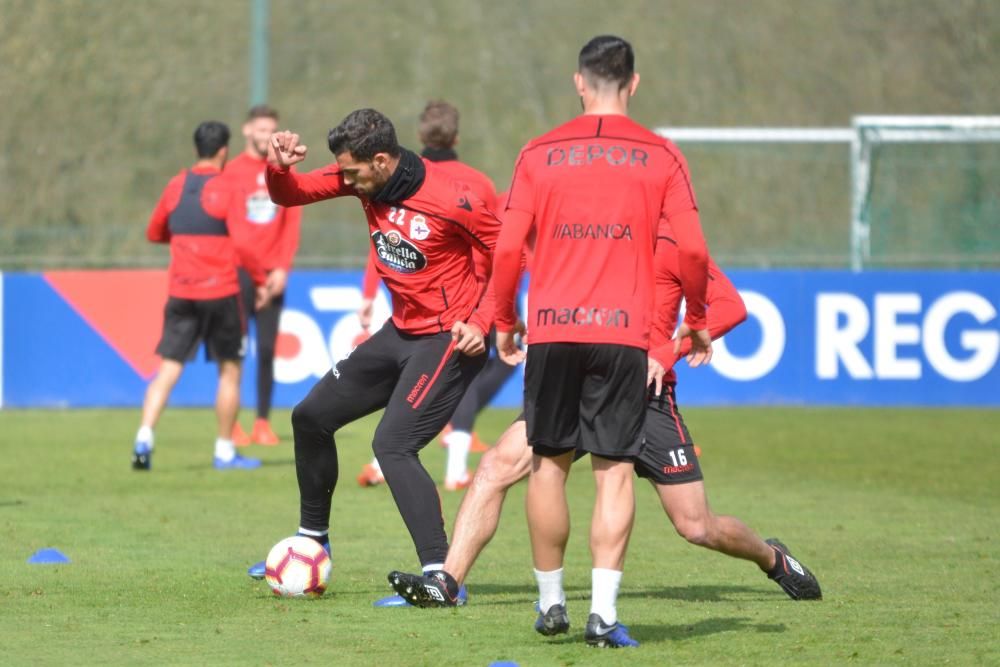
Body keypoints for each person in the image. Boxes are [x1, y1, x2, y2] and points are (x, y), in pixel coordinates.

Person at [391, 36, 713, 648]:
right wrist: (695, 316)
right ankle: (605, 614)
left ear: (579, 83)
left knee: (546, 467)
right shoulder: (662, 155)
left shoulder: (539, 152)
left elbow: (508, 248)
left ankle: (550, 603)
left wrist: (505, 319)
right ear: (634, 85)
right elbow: (693, 250)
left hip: (554, 328)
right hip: (621, 333)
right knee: (614, 474)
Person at [387, 234, 823, 626]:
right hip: (578, 388)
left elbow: (731, 306)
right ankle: (446, 584)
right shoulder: (586, 238)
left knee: (695, 526)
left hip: (645, 396)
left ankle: (772, 558)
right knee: (496, 467)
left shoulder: (670, 243)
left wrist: (667, 353)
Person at [245, 108, 501, 597]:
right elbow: (290, 194)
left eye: (351, 172)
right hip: (401, 331)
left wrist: (485, 322)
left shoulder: (452, 198)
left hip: (449, 337)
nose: (344, 180)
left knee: (392, 445)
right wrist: (277, 167)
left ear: (380, 160)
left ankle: (440, 577)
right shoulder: (361, 176)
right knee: (310, 417)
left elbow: (511, 251)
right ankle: (313, 543)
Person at [355, 100, 515, 491]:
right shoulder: (477, 182)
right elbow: (495, 243)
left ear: (420, 136)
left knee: (415, 374)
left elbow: (383, 240)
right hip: (469, 295)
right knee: (475, 370)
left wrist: (368, 293)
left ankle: (380, 461)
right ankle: (455, 466)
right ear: (456, 136)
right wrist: (499, 303)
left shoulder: (399, 176)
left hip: (408, 293)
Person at [131, 121, 269, 472]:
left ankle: (144, 436)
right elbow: (243, 244)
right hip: (221, 291)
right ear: (224, 150)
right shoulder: (229, 187)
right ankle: (224, 450)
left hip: (181, 291)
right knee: (229, 371)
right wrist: (260, 279)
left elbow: (154, 231)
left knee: (168, 368)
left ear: (197, 149)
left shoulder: (176, 185)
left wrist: (185, 244)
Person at [225, 104, 302, 447]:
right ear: (246, 131)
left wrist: (282, 268)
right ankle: (232, 425)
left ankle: (262, 423)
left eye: (270, 129)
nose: (264, 135)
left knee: (268, 349)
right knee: (235, 351)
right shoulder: (231, 173)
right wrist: (254, 277)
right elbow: (234, 230)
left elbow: (291, 224)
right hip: (239, 274)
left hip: (273, 277)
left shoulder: (282, 171)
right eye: (259, 129)